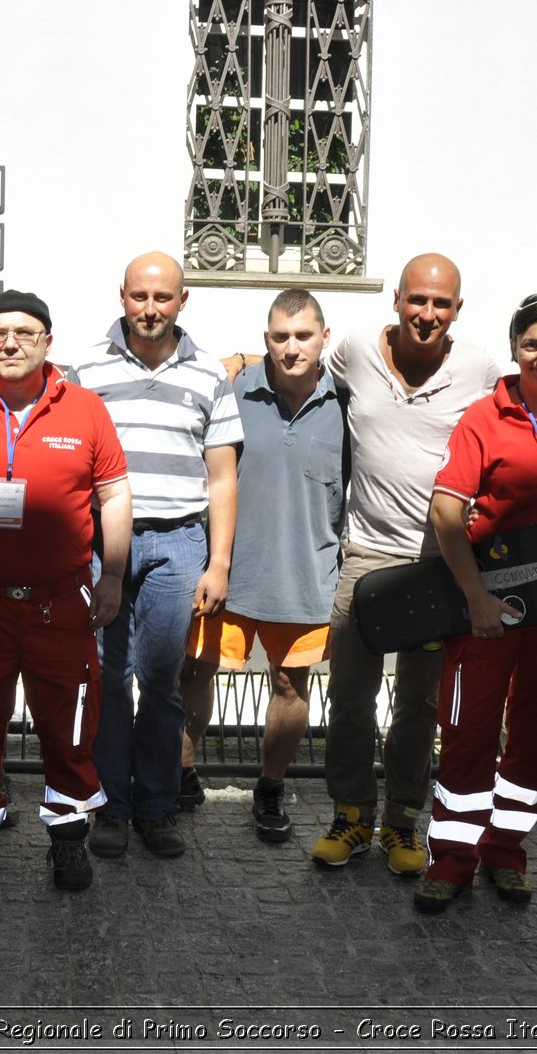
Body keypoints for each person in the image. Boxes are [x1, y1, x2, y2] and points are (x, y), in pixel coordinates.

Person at [0, 290, 132, 891]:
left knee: (69, 728)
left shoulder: (86, 409)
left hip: (59, 601)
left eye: (24, 332)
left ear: (47, 341)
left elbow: (115, 495)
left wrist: (112, 575)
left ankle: (67, 842)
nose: (9, 343)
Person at [414, 293, 537, 912]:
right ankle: (451, 858)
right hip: (491, 606)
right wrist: (475, 597)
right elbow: (447, 511)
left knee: (536, 734)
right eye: (532, 344)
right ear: (514, 349)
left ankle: (507, 851)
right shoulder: (484, 417)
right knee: (469, 729)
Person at [311, 253, 501, 877]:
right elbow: (299, 366)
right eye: (417, 300)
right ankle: (350, 815)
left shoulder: (478, 370)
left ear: (457, 310)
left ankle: (401, 823)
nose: (427, 314)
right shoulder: (357, 351)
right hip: (364, 555)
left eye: (440, 304)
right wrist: (238, 364)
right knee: (349, 698)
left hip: (436, 565)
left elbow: (525, 411)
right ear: (396, 299)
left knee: (418, 704)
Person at [70, 251, 241, 861]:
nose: (150, 309)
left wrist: (218, 562)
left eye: (162, 297)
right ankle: (111, 806)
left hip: (178, 542)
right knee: (107, 680)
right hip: (100, 545)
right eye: (140, 296)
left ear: (182, 300)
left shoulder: (207, 375)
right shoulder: (85, 368)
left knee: (163, 681)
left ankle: (158, 805)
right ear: (122, 296)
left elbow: (221, 476)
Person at [180, 289, 343, 843]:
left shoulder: (348, 401)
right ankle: (180, 772)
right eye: (279, 336)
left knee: (291, 686)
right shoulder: (231, 389)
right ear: (264, 339)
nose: (291, 347)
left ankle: (270, 786)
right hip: (227, 567)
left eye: (303, 336)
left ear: (325, 337)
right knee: (195, 671)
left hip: (307, 574)